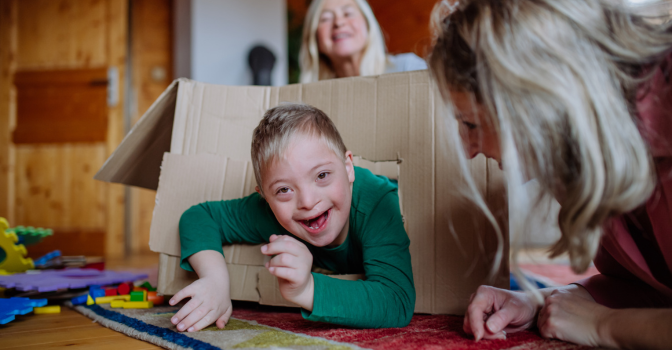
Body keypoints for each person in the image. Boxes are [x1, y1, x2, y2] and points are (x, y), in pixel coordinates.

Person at [426, 0, 672, 349]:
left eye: (471, 124)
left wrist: (605, 325)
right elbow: (654, 288)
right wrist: (540, 299)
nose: (469, 149)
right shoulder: (583, 157)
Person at [168, 103, 415, 331]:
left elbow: (397, 300)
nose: (308, 202)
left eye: (322, 176)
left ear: (348, 168)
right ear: (265, 197)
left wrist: (307, 289)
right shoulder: (269, 214)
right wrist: (215, 279)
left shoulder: (378, 203)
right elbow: (200, 217)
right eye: (284, 190)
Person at [299, 0, 427, 83]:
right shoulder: (312, 99)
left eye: (348, 13)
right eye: (326, 18)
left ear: (368, 25)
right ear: (314, 38)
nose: (338, 22)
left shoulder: (408, 69)